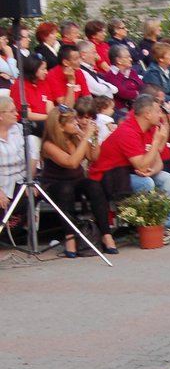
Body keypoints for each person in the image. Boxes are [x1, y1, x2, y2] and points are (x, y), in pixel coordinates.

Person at [89, 95, 170, 242]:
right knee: (146, 183)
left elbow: (157, 161)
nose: (160, 115)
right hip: (109, 176)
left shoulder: (149, 129)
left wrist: (154, 170)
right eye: (158, 111)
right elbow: (142, 165)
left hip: (127, 172)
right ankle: (147, 227)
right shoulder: (128, 131)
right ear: (147, 114)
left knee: (166, 177)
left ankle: (168, 225)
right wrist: (157, 142)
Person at [38, 105, 118, 257]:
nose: (76, 123)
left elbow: (93, 157)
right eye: (71, 121)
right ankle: (70, 238)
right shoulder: (49, 144)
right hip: (55, 184)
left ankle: (106, 234)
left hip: (76, 180)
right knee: (65, 189)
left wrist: (92, 137)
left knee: (94, 186)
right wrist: (85, 137)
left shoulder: (76, 137)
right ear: (60, 127)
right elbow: (72, 163)